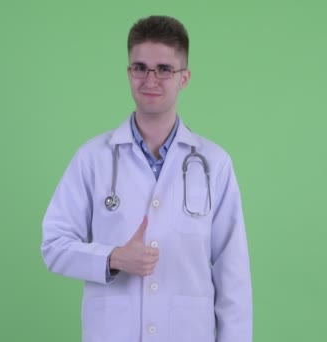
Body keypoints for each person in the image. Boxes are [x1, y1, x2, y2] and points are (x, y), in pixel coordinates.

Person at [41, 15, 252, 342]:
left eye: (164, 69)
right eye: (140, 67)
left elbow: (233, 274)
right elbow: (53, 245)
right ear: (129, 73)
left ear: (184, 78)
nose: (150, 79)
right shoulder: (93, 158)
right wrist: (112, 258)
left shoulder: (214, 163)